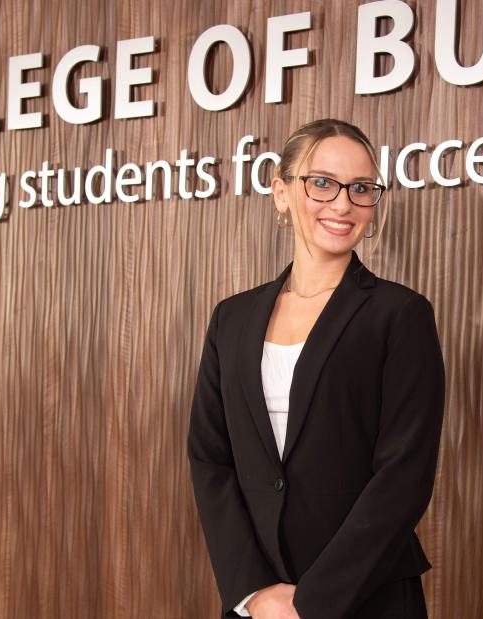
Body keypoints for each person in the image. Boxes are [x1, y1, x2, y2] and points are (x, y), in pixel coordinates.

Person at [186, 118, 446, 618]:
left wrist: (312, 603)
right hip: (258, 601)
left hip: (366, 597)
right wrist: (255, 592)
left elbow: (404, 475)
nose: (343, 203)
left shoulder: (400, 315)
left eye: (361, 188)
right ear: (281, 192)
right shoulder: (232, 318)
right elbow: (210, 458)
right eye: (322, 183)